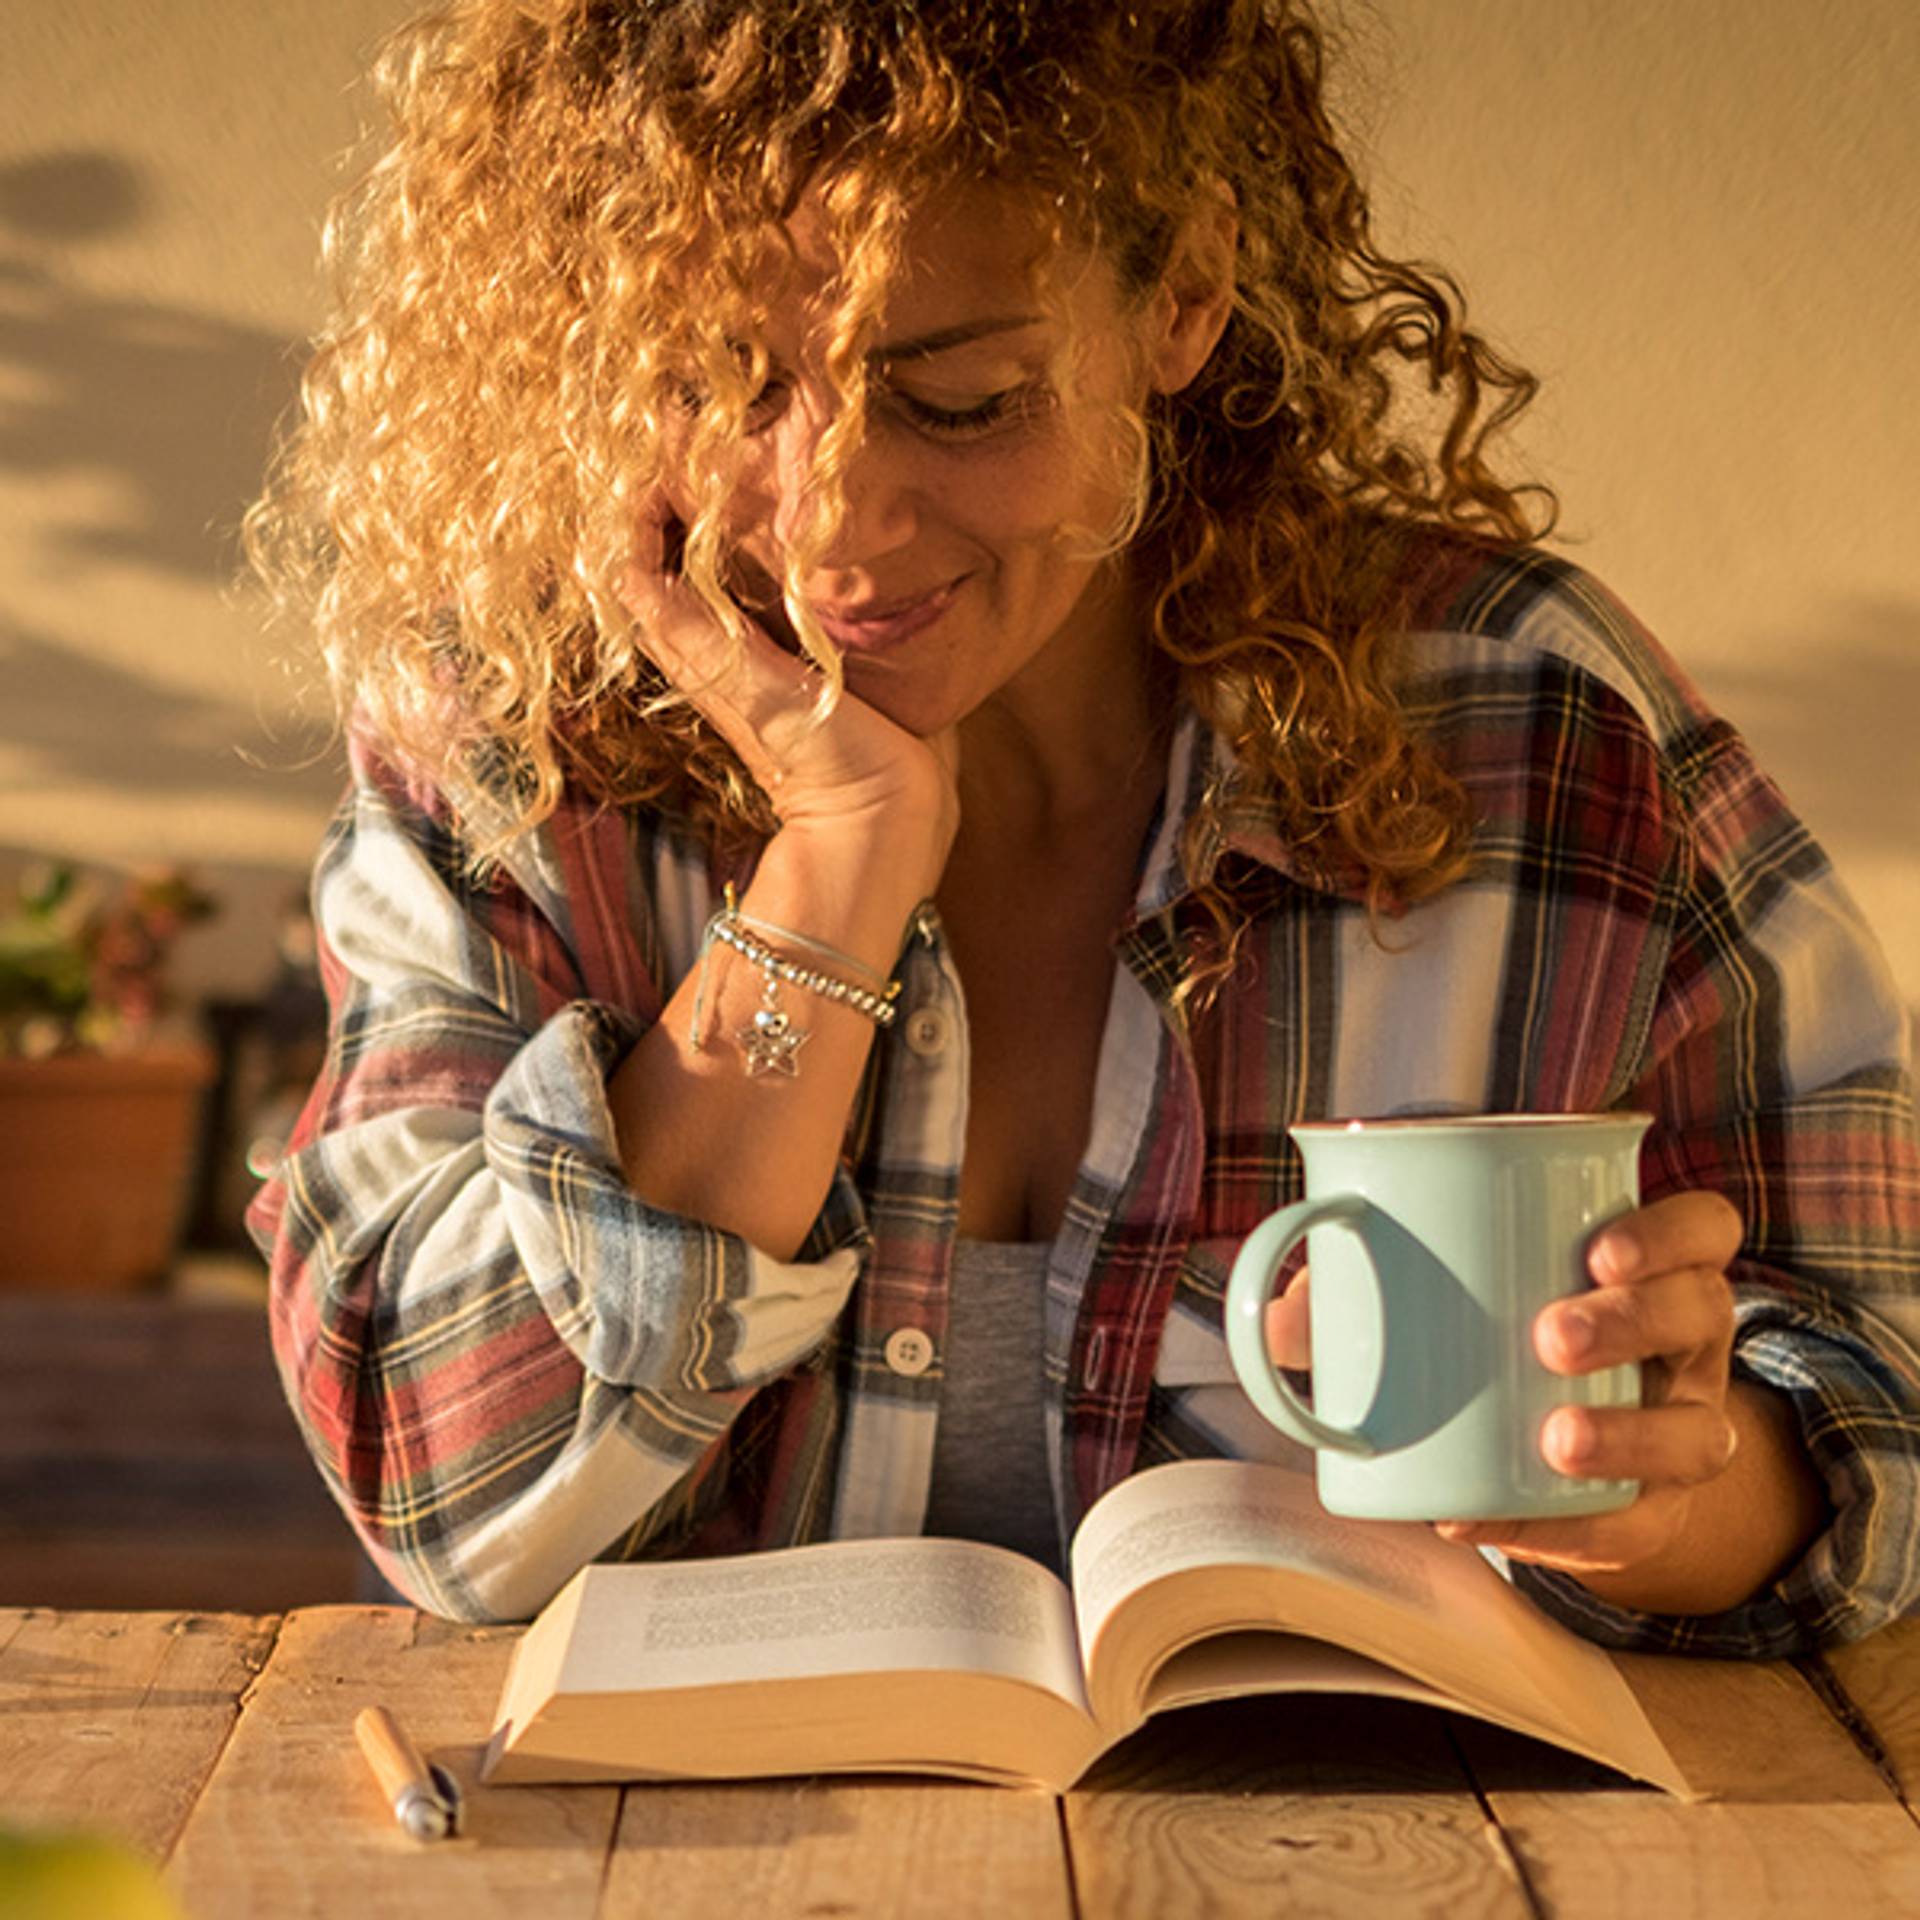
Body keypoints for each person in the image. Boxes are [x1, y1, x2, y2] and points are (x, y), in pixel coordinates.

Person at [246, 0, 1920, 1652]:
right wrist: (830, 870)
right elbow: (444, 1489)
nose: (833, 527)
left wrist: (1670, 1503)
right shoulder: (520, 741)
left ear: (1182, 294)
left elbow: (1885, 1399)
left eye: (961, 400)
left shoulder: (1535, 727)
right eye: (717, 385)